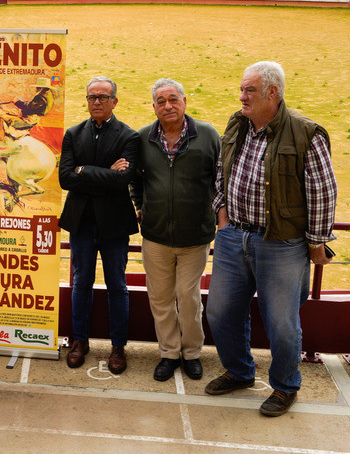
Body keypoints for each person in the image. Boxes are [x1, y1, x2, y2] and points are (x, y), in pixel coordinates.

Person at [205, 61, 337, 417]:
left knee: (282, 323)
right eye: (242, 89)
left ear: (272, 93)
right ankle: (240, 371)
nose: (241, 96)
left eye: (248, 90)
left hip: (282, 244)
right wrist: (222, 217)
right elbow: (221, 172)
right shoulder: (238, 124)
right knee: (219, 313)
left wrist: (315, 242)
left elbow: (323, 192)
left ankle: (284, 386)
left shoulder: (306, 132)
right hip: (234, 237)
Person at [130, 78, 220, 382]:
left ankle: (192, 353)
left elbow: (219, 179)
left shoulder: (207, 135)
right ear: (154, 106)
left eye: (173, 99)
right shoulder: (143, 138)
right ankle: (169, 353)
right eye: (160, 101)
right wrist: (138, 203)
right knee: (160, 298)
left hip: (195, 236)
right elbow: (135, 177)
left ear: (184, 101)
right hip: (155, 236)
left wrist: (214, 214)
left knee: (188, 295)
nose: (167, 106)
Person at [58, 76, 140, 372]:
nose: (96, 102)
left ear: (114, 101)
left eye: (103, 97)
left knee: (117, 285)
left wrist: (84, 172)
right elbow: (65, 178)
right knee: (81, 283)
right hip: (82, 223)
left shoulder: (129, 136)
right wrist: (103, 173)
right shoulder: (73, 133)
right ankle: (80, 341)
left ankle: (118, 347)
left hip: (114, 225)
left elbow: (124, 179)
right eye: (92, 97)